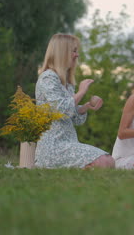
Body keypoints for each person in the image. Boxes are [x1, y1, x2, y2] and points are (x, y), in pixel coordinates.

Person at [35, 33, 115, 168]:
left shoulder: (66, 82)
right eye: (74, 51)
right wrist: (81, 92)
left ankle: (80, 172)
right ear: (62, 52)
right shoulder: (48, 78)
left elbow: (74, 118)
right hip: (53, 148)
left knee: (108, 160)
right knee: (105, 161)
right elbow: (62, 109)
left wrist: (87, 106)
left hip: (68, 144)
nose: (77, 55)